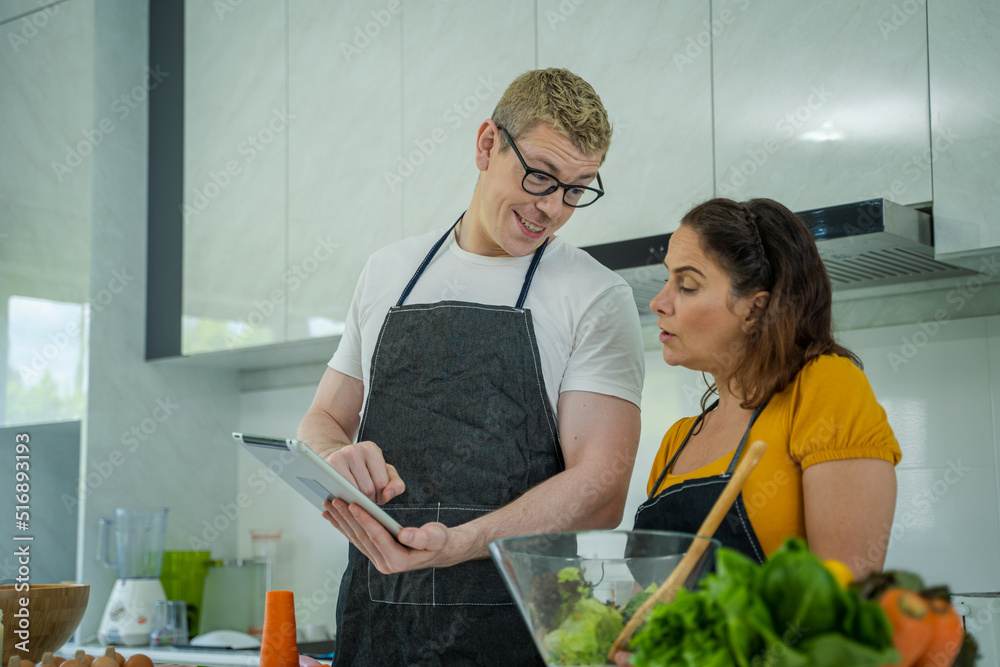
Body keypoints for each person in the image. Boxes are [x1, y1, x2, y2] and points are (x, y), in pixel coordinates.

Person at [297, 68, 644, 666]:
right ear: (487, 145)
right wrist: (334, 458)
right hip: (376, 627)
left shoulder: (594, 295)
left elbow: (601, 492)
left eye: (576, 188)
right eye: (539, 175)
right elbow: (324, 417)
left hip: (520, 635)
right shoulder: (388, 272)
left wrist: (461, 544)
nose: (553, 208)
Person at [633, 197, 900, 573]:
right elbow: (650, 604)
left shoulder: (824, 387)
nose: (658, 302)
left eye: (688, 284)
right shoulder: (676, 443)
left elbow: (844, 599)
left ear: (754, 309)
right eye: (667, 278)